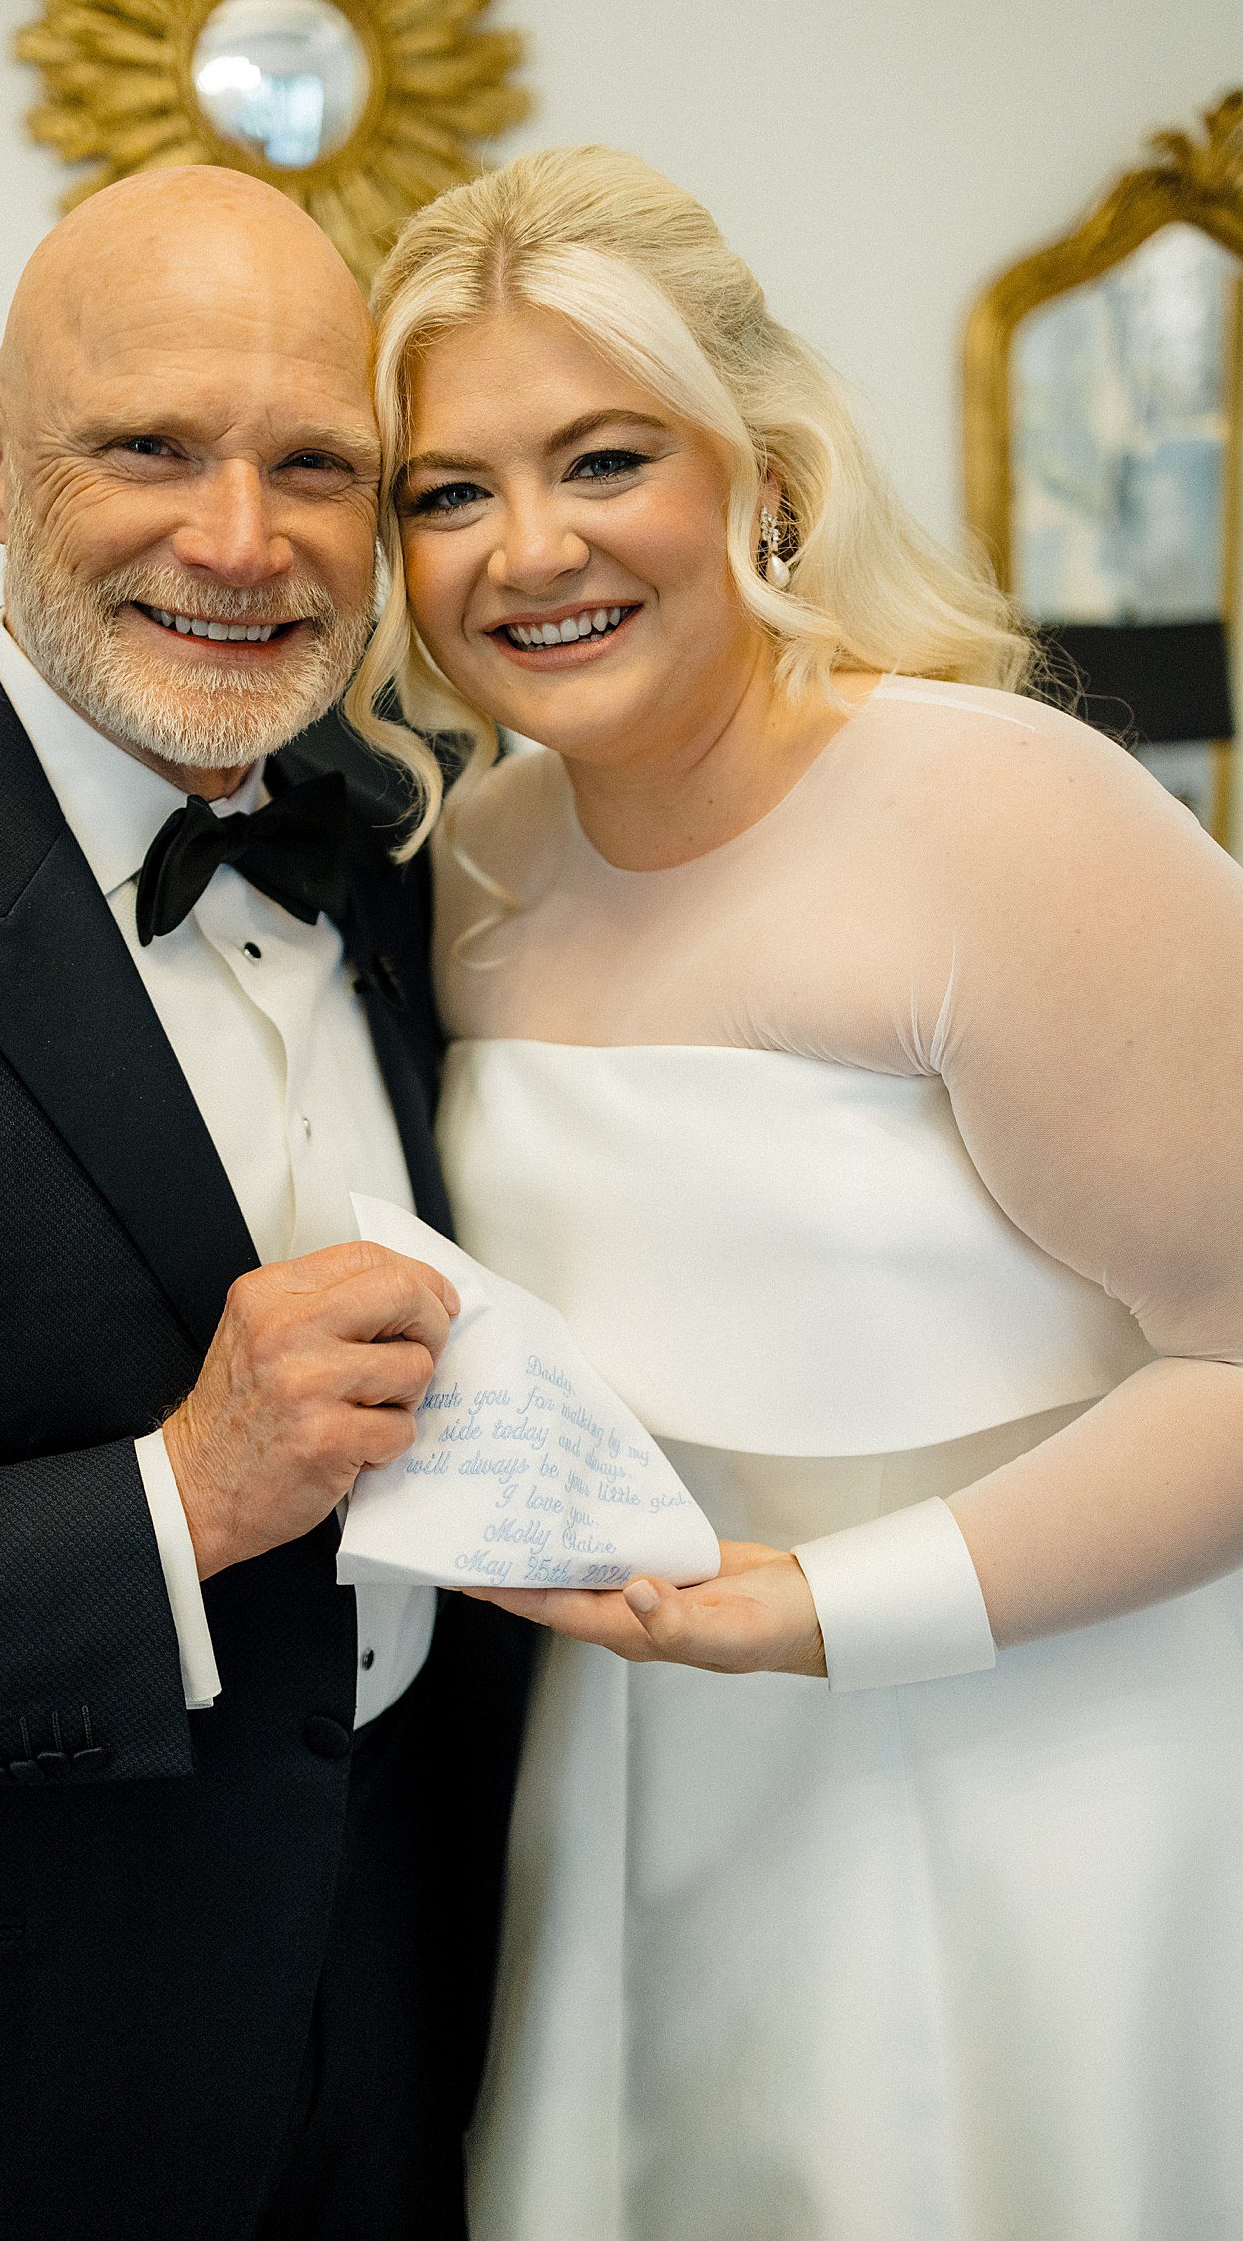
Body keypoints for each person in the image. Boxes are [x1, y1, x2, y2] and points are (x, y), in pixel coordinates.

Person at [342, 145, 1243, 2240]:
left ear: (761, 468)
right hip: (638, 1768)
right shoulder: (466, 869)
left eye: (601, 458)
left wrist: (825, 1615)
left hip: (1044, 1761)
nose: (527, 550)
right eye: (448, 492)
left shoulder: (999, 809)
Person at [0, 165, 528, 2241]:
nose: (241, 543)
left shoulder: (419, 871)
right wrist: (175, 1498)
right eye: (152, 448)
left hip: (414, 2048)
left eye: (317, 467)